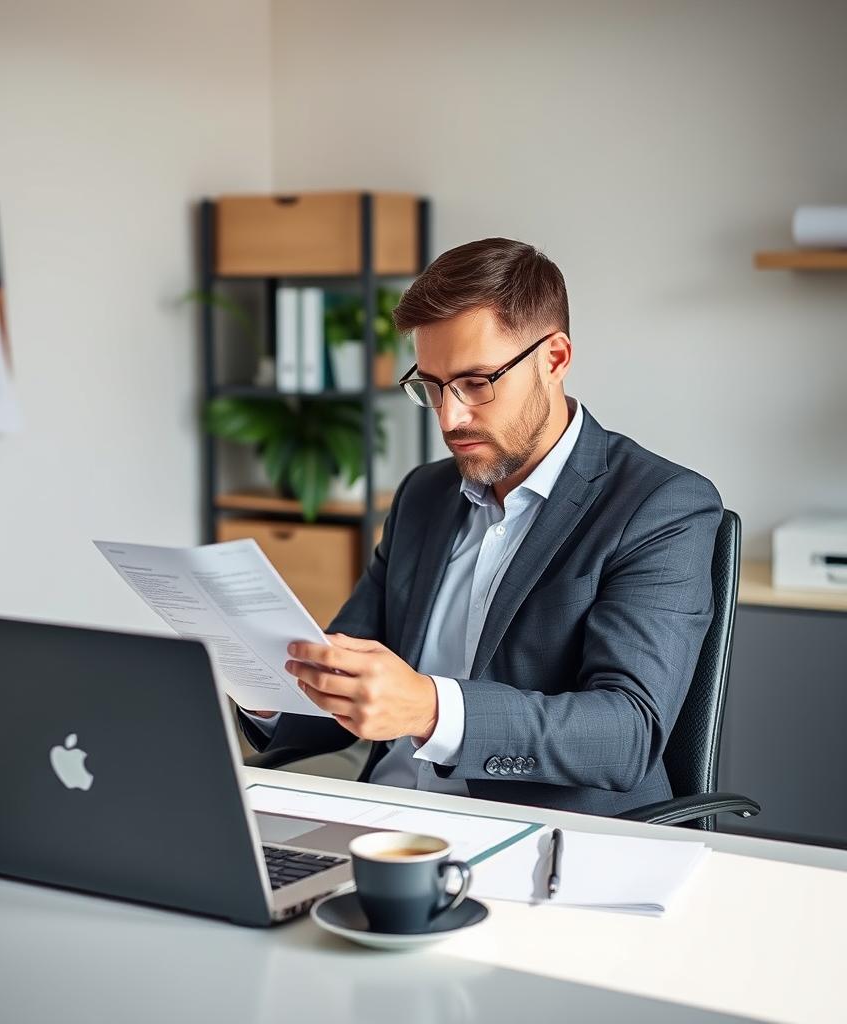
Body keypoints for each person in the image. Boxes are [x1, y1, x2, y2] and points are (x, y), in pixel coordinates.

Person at [239, 237, 722, 817]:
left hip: (544, 839)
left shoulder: (660, 505)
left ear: (555, 358)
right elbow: (349, 672)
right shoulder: (424, 495)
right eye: (433, 386)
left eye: (475, 383)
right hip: (383, 823)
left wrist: (430, 709)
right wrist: (264, 689)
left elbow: (626, 734)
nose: (450, 416)